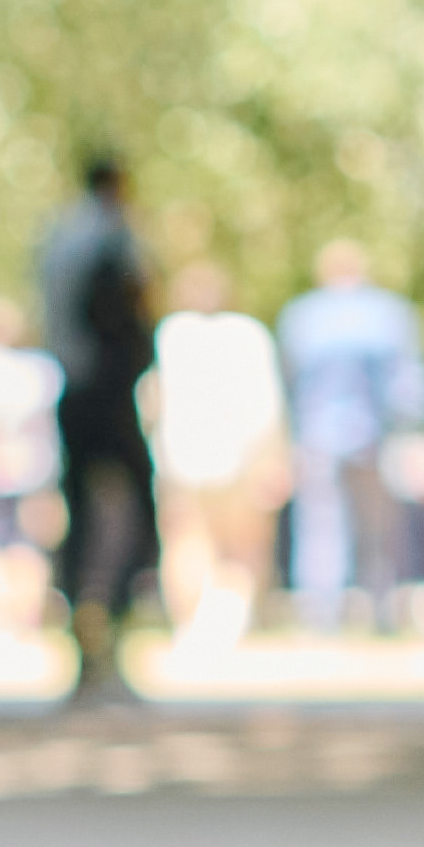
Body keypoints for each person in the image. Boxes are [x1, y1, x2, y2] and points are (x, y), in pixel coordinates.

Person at [40, 151, 158, 701]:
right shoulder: (115, 235)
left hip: (73, 390)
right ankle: (108, 629)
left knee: (80, 521)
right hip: (110, 394)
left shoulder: (57, 237)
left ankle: (86, 639)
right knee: (136, 514)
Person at [274, 239, 424, 627]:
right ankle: (380, 610)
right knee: (376, 530)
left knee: (321, 528)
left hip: (318, 438)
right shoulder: (386, 313)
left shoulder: (303, 316)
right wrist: (416, 433)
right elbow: (408, 385)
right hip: (372, 437)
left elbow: (288, 382)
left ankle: (320, 614)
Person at [148, 259, 288, 639]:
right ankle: (226, 621)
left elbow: (150, 400)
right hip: (232, 459)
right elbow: (267, 407)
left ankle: (195, 623)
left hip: (184, 459)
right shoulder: (247, 336)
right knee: (235, 546)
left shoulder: (169, 335)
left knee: (190, 540)